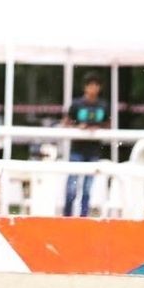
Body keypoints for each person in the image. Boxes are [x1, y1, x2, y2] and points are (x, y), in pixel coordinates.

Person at [62, 71, 110, 217]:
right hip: (77, 148)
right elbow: (66, 123)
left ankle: (83, 217)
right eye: (90, 85)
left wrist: (98, 128)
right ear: (85, 87)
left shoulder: (103, 105)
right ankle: (67, 216)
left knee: (87, 188)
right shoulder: (77, 104)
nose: (93, 88)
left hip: (93, 150)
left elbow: (108, 123)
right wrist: (78, 127)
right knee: (72, 187)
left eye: (96, 85)